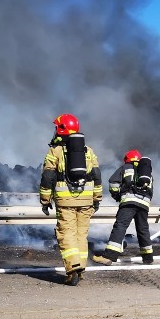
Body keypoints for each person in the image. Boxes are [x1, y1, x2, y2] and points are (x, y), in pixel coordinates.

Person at [39, 113, 102, 285]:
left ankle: (73, 268)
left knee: (66, 234)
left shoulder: (55, 151)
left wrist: (45, 200)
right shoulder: (89, 151)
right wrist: (97, 198)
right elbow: (96, 176)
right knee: (81, 234)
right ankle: (80, 267)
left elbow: (48, 177)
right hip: (87, 200)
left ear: (60, 130)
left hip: (66, 202)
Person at [92, 150, 154, 265]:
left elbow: (113, 183)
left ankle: (109, 256)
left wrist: (117, 196)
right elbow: (151, 191)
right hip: (144, 204)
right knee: (143, 229)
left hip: (129, 203)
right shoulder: (147, 172)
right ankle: (148, 257)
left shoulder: (126, 167)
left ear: (127, 159)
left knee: (120, 227)